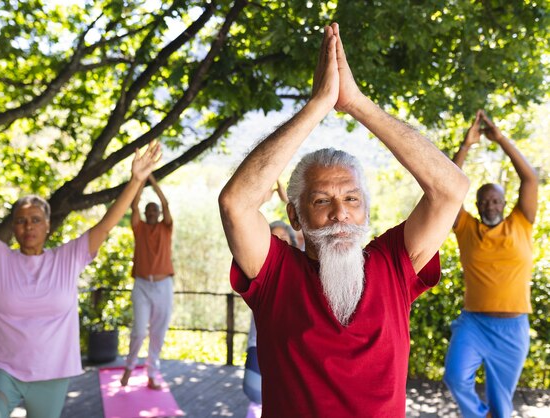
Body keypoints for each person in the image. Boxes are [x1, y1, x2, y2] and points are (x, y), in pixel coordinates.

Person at [218, 23, 469, 417]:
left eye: (352, 198)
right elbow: (236, 203)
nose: (340, 213)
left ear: (365, 210)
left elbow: (451, 188)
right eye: (321, 200)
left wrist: (355, 103)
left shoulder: (393, 264)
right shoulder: (276, 274)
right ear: (295, 216)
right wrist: (319, 104)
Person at [0, 106, 161, 418]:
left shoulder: (68, 258)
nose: (28, 226)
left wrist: (136, 181)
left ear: (47, 225)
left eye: (36, 219)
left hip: (52, 374)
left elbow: (104, 225)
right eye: (21, 221)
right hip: (2, 369)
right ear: (14, 227)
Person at [443, 110, 538, 418]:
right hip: (474, 323)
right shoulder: (467, 228)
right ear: (476, 205)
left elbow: (530, 178)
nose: (490, 205)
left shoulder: (521, 222)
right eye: (484, 201)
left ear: (504, 202)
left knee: (501, 406)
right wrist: (466, 145)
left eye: (496, 200)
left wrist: (500, 139)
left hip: (512, 329)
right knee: (455, 377)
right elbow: (446, 189)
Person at [121, 173, 174, 390]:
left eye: (155, 210)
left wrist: (153, 180)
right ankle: (129, 367)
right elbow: (134, 206)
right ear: (145, 213)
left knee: (158, 332)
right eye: (148, 210)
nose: (152, 212)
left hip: (163, 286)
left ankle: (152, 374)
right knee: (140, 331)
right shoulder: (139, 227)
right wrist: (141, 181)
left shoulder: (166, 227)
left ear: (159, 214)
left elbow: (165, 202)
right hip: (142, 286)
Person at [242, 220, 297, 406]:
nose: (279, 240)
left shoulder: (304, 268)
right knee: (254, 392)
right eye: (274, 237)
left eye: (284, 237)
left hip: (294, 347)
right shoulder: (257, 269)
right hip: (260, 343)